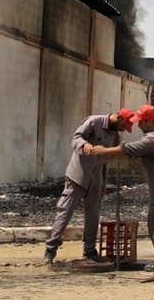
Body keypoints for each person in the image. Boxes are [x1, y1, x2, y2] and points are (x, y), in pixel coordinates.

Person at [92, 104, 154, 272]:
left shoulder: (153, 139)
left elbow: (128, 149)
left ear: (150, 122)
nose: (138, 125)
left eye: (141, 122)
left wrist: (104, 150)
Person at [42, 108, 134, 265]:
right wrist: (84, 144)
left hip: (96, 179)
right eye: (124, 125)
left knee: (93, 216)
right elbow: (76, 137)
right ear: (118, 118)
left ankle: (90, 251)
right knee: (65, 212)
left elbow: (106, 161)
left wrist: (104, 182)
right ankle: (50, 250)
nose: (123, 130)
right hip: (77, 176)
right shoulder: (94, 121)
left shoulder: (115, 136)